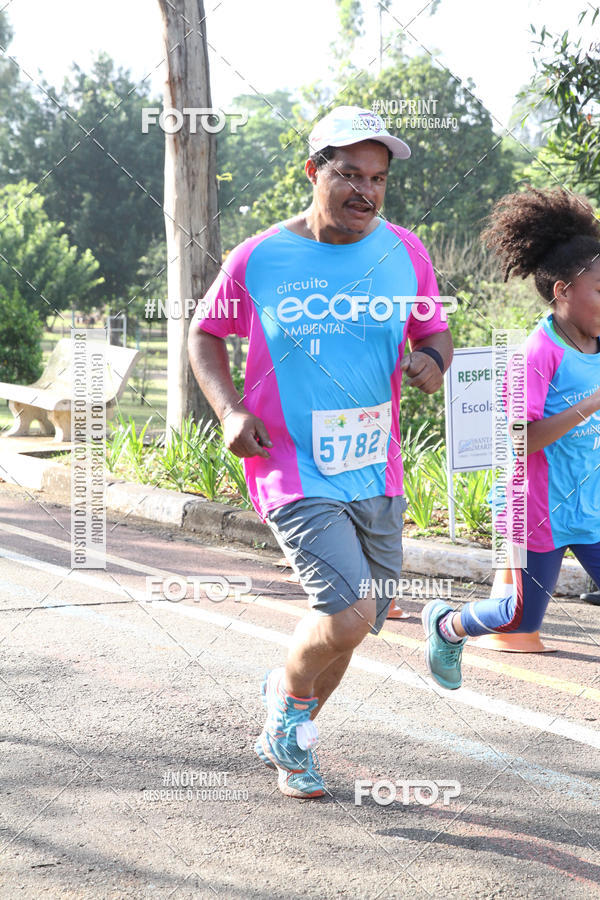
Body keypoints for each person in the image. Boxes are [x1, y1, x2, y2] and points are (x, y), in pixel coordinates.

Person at [188, 105, 453, 798]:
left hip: (376, 464)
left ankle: (293, 732)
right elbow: (204, 333)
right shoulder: (262, 255)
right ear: (314, 173)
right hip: (291, 463)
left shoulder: (406, 251)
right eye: (349, 174)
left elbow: (434, 334)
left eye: (378, 178)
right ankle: (288, 696)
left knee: (362, 619)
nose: (365, 190)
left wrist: (432, 362)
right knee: (349, 609)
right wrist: (229, 409)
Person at [422, 187, 600, 690]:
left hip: (590, 508)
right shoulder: (534, 356)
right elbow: (522, 440)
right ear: (564, 290)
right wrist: (591, 402)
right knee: (517, 617)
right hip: (535, 510)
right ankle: (447, 624)